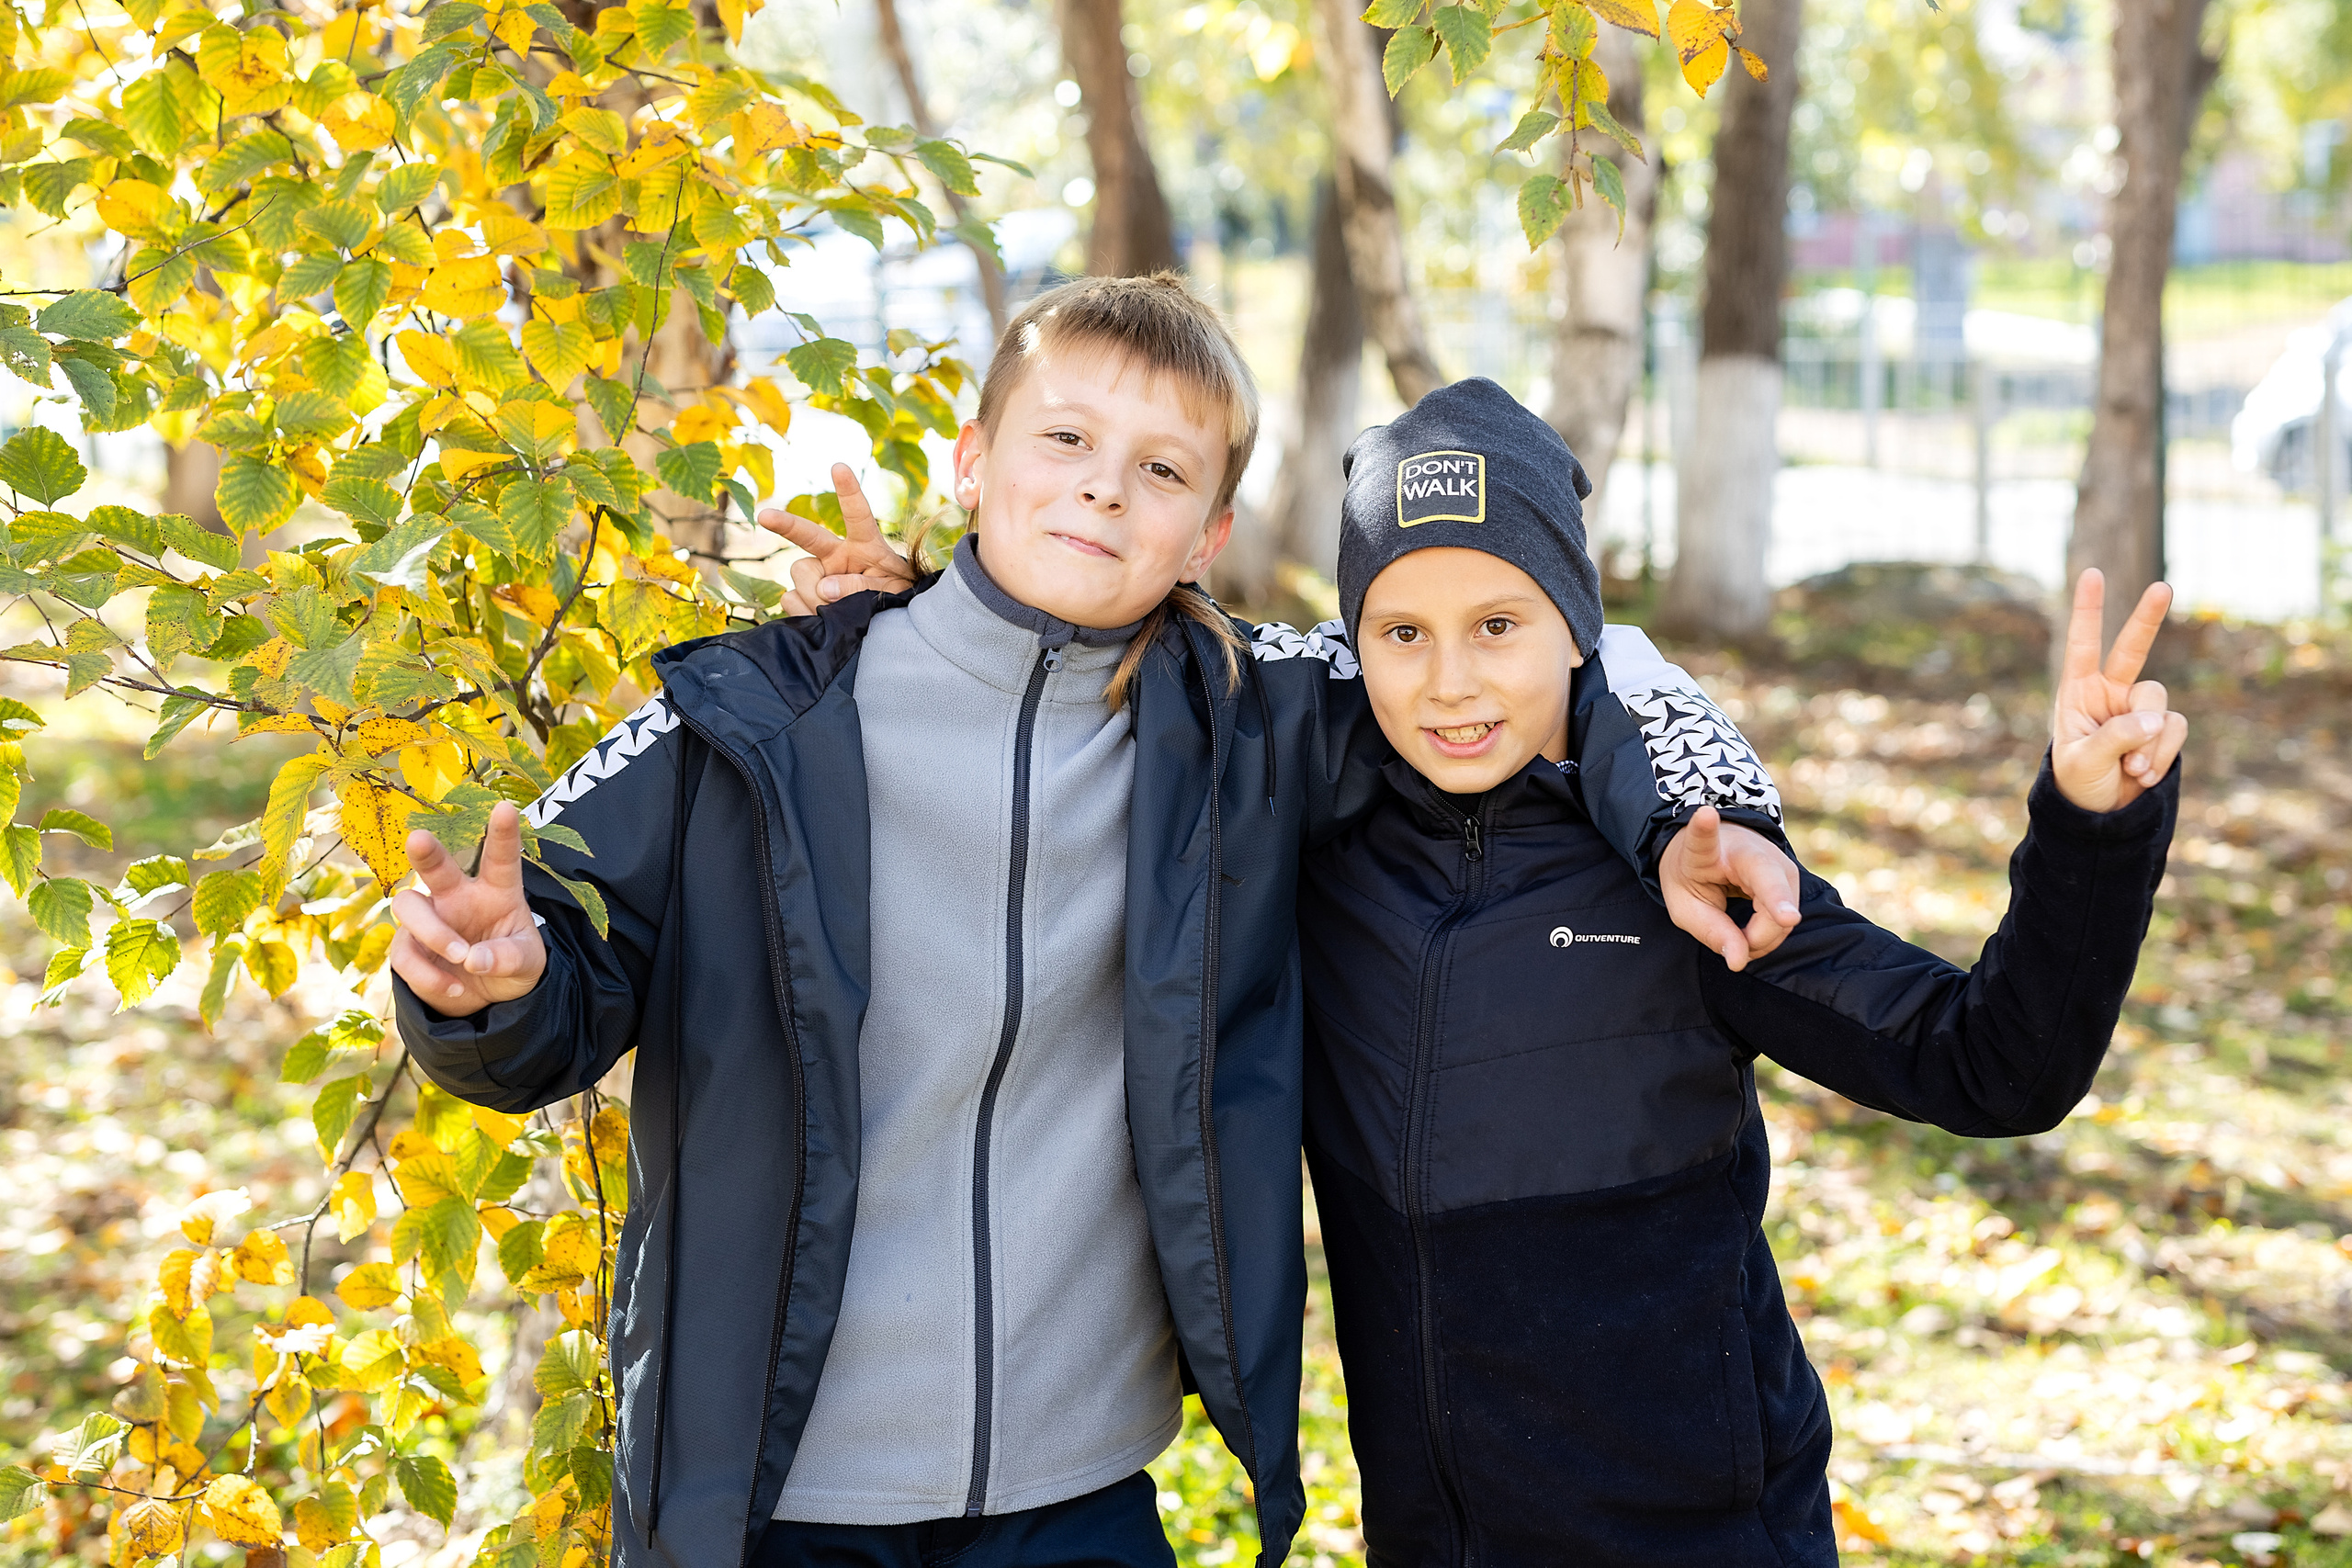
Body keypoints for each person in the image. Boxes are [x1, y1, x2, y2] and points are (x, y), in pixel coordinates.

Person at [385, 278, 1797, 1568]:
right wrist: (487, 990)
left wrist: (1701, 814)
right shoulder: (740, 724)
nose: (1104, 493)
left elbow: (1588, 656)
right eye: (1064, 441)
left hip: (1082, 1500)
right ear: (972, 457)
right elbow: (539, 989)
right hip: (776, 1501)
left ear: (1210, 535)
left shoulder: (1256, 716)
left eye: (1162, 471)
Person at [1298, 377, 2185, 1567]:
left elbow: (1991, 1068)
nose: (1450, 680)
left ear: (1578, 625)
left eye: (1499, 623)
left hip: (1703, 1538)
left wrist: (2090, 828)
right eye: (1403, 632)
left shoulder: (1701, 872)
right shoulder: (1324, 865)